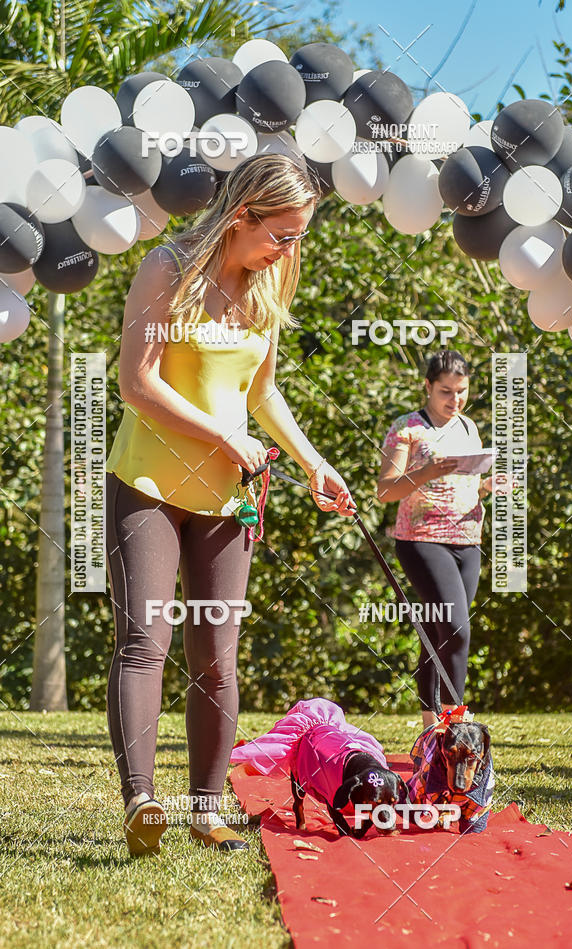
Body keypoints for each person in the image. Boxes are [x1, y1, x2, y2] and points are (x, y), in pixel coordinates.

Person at [104, 154, 356, 856]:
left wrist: (314, 463)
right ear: (242, 216)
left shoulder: (265, 284)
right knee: (145, 642)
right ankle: (142, 803)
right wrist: (223, 434)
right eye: (283, 233)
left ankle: (207, 810)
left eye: (299, 235)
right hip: (148, 488)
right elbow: (136, 383)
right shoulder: (167, 268)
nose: (290, 248)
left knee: (216, 656)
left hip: (225, 496)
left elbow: (262, 391)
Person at [376, 350, 493, 728]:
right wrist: (426, 470)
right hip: (422, 540)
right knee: (457, 629)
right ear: (427, 386)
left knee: (438, 631)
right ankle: (454, 722)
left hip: (468, 540)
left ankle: (431, 726)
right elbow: (385, 491)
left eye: (461, 391)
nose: (454, 400)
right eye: (445, 391)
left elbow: (468, 485)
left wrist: (490, 485)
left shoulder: (468, 427)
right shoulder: (407, 427)